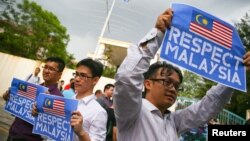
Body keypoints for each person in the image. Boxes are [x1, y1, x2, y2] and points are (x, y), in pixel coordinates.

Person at [113, 8, 250, 141]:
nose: (173, 89)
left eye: (177, 86)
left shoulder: (173, 121)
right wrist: (159, 33)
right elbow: (127, 77)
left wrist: (237, 72)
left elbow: (208, 106)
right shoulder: (131, 112)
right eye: (167, 82)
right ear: (147, 83)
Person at [2, 56, 65, 141]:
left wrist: (42, 113)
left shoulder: (58, 98)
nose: (46, 71)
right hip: (13, 133)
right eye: (45, 67)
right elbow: (19, 108)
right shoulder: (34, 88)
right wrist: (9, 98)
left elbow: (53, 128)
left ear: (59, 75)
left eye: (51, 69)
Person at [70, 58, 107, 141]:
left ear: (95, 80)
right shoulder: (66, 100)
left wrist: (81, 132)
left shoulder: (98, 112)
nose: (77, 79)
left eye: (83, 76)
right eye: (76, 74)